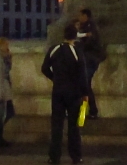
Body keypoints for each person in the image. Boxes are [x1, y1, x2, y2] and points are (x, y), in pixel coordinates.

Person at [41, 24, 90, 165]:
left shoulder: (54, 49)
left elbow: (44, 68)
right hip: (73, 92)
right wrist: (85, 93)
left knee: (56, 125)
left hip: (58, 91)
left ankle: (54, 157)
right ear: (75, 36)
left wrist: (54, 78)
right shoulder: (77, 52)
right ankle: (76, 156)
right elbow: (82, 74)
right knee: (74, 126)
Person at [75, 8, 105, 119]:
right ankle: (88, 111)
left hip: (91, 59)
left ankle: (90, 111)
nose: (79, 18)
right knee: (84, 86)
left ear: (85, 16)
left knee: (85, 85)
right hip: (89, 59)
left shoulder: (90, 28)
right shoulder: (86, 27)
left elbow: (88, 44)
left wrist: (77, 42)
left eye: (81, 16)